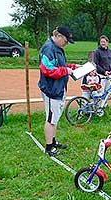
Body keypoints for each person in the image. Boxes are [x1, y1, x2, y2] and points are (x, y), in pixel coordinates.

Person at [38, 26, 76, 156]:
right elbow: (47, 70)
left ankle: (53, 141)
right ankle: (49, 148)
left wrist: (72, 68)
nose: (66, 44)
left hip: (59, 88)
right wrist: (66, 71)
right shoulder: (48, 48)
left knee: (55, 117)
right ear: (59, 36)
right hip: (51, 90)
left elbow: (59, 65)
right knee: (50, 119)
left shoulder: (58, 48)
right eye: (66, 41)